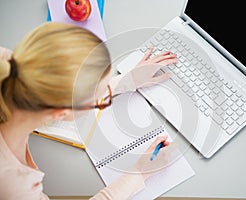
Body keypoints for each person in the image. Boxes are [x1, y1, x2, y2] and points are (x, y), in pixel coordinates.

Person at [0, 22, 178, 200]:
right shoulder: (15, 187)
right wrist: (138, 173)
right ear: (60, 114)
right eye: (99, 100)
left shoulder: (9, 62)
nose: (104, 100)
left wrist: (127, 79)